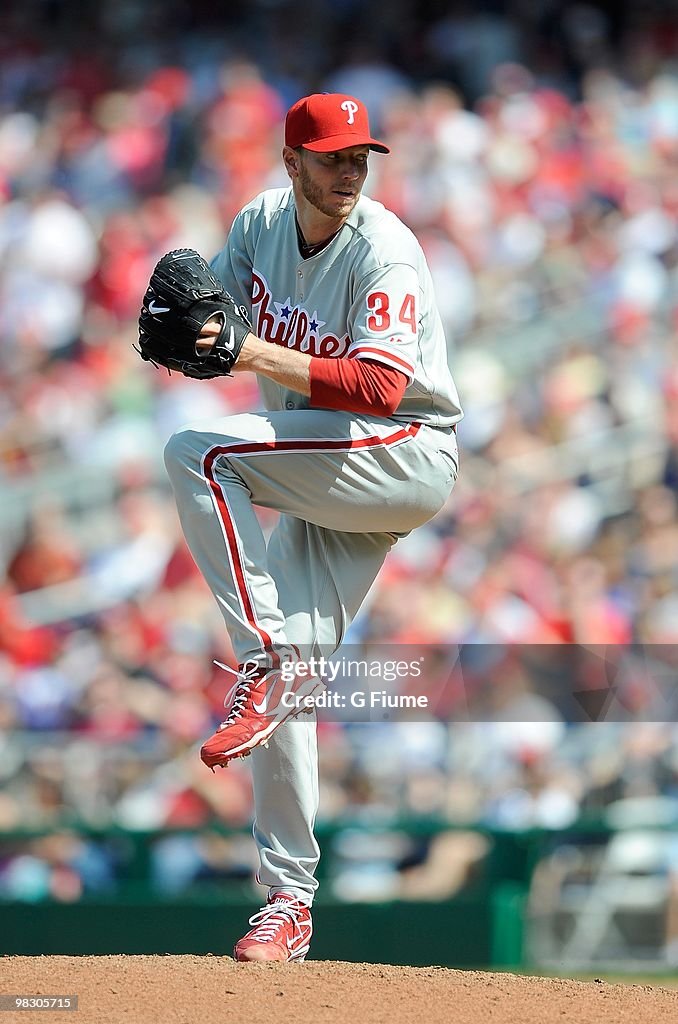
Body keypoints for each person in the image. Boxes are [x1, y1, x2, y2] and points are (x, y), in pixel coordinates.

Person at [162, 92, 462, 962]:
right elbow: (210, 319)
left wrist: (243, 352)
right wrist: (195, 335)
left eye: (359, 157)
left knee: (200, 454)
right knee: (291, 680)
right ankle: (289, 903)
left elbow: (375, 386)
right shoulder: (260, 223)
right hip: (324, 468)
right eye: (332, 157)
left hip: (403, 448)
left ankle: (266, 661)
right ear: (292, 161)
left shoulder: (385, 250)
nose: (350, 172)